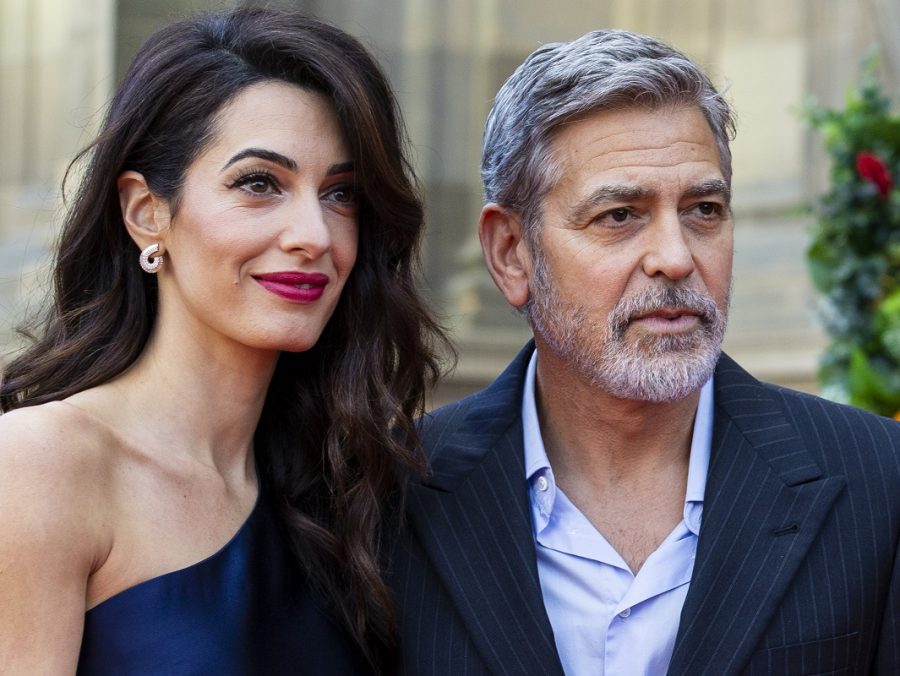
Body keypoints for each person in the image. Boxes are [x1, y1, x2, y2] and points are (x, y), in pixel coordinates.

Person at [388, 29, 900, 675]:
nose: (676, 257)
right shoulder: (388, 494)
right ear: (511, 253)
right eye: (620, 215)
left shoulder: (879, 482)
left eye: (704, 209)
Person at [0, 7, 447, 674]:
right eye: (259, 184)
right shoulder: (42, 464)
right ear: (146, 214)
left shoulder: (349, 482)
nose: (314, 236)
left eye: (341, 194)